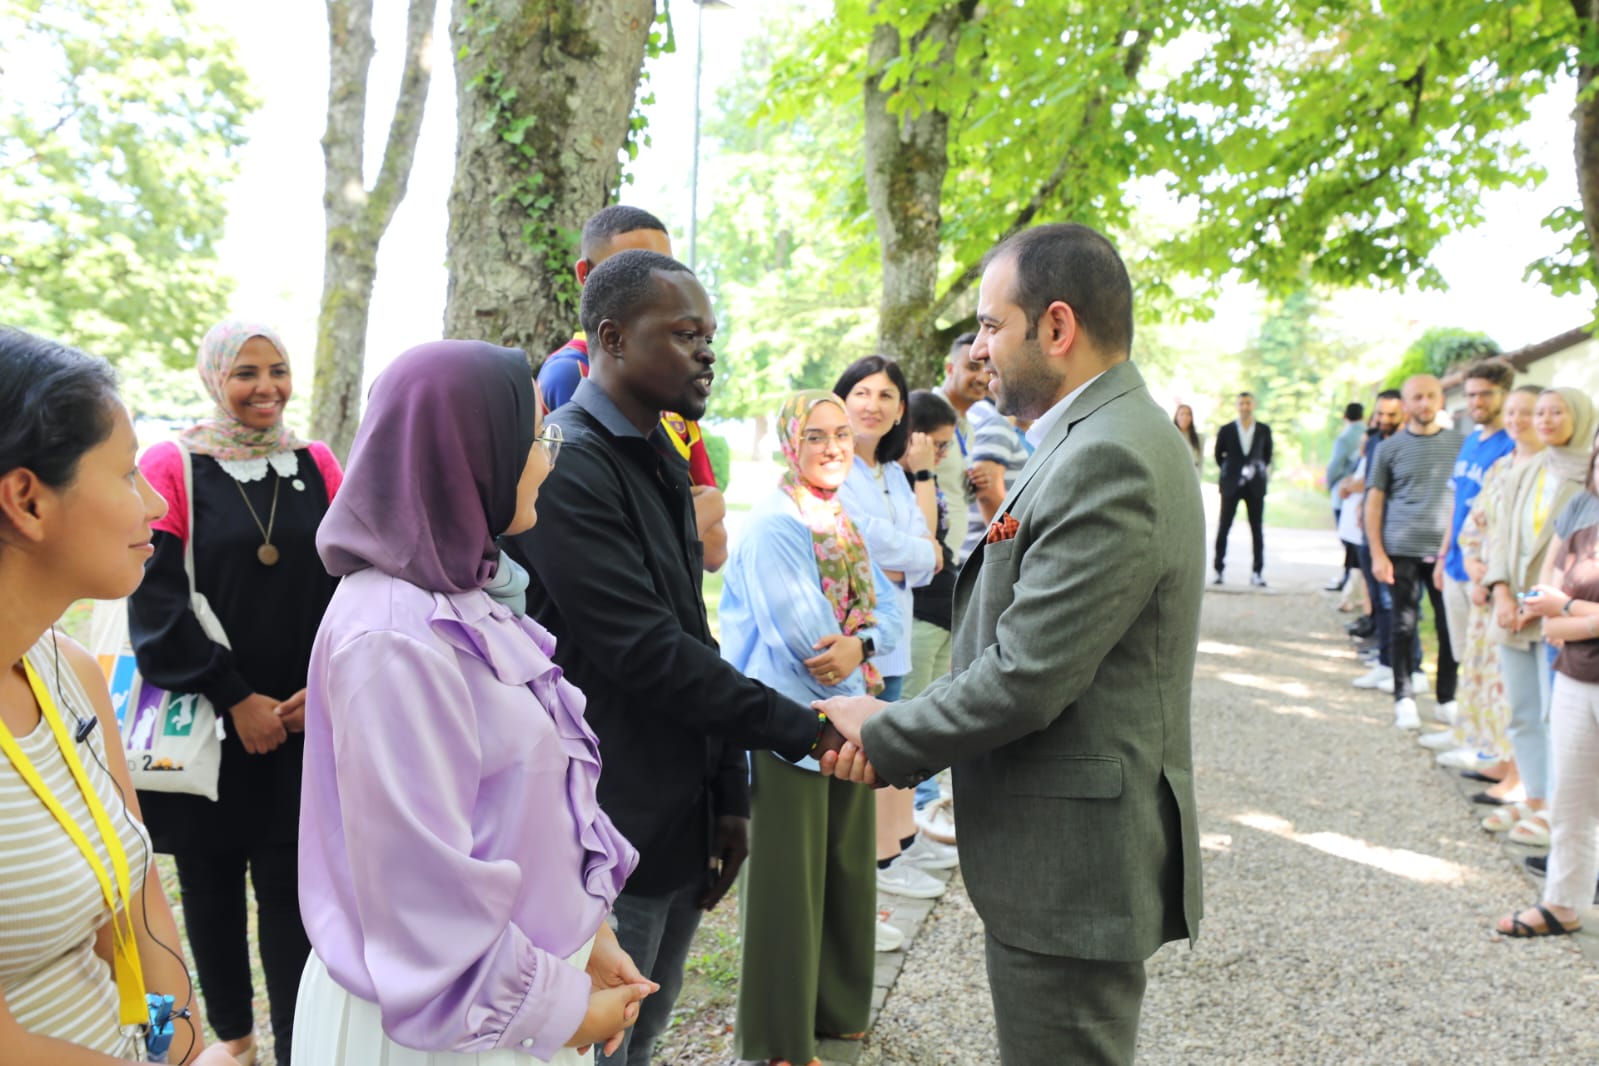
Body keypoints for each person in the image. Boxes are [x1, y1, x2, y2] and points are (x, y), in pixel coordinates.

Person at [819, 223, 1204, 1066]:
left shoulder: (1110, 455)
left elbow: (1028, 673)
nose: (978, 350)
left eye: (992, 326)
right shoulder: (1092, 436)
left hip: (1072, 865)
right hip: (1063, 852)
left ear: (1056, 327)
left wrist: (887, 731)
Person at [501, 249, 852, 1066]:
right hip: (603, 822)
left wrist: (728, 790)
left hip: (678, 816)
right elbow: (644, 650)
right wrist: (809, 730)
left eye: (710, 336)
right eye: (685, 334)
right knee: (602, 1045)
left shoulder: (655, 448)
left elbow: (690, 626)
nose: (707, 354)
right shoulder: (569, 462)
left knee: (644, 1036)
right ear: (612, 339)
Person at [295, 340, 651, 1063]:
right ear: (468, 454)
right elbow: (418, 892)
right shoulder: (393, 635)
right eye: (536, 438)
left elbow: (524, 810)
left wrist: (588, 936)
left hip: (505, 999)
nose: (547, 461)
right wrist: (559, 1012)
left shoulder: (460, 594)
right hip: (447, 1024)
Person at [0, 327, 236, 1065]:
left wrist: (182, 1048)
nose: (154, 505)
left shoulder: (69, 672)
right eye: (128, 473)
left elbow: (135, 909)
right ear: (27, 500)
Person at [129, 320, 343, 1066]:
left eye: (277, 369)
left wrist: (323, 686)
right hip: (208, 726)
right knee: (210, 888)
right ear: (214, 377)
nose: (266, 388)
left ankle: (295, 1049)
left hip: (302, 724)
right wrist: (237, 699)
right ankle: (234, 1041)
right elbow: (154, 604)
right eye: (245, 372)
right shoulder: (170, 466)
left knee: (292, 901)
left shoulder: (317, 463)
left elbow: (351, 583)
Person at [718, 390, 901, 1066]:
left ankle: (838, 1013)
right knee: (786, 892)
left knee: (846, 874)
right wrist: (858, 670)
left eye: (842, 435)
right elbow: (808, 646)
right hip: (787, 729)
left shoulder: (839, 521)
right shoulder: (776, 524)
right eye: (816, 436)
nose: (832, 448)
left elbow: (891, 617)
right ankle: (777, 1043)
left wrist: (863, 644)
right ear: (791, 444)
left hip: (845, 724)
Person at [536, 205, 726, 570]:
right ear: (586, 274)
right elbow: (622, 532)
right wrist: (703, 509)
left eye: (666, 266)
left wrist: (710, 505)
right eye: (630, 266)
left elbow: (716, 547)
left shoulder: (671, 384)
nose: (658, 280)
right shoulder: (572, 374)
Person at [831, 357, 954, 904]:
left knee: (891, 753)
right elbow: (869, 543)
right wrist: (917, 553)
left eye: (886, 396)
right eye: (862, 392)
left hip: (893, 636)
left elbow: (926, 553)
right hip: (859, 638)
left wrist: (915, 554)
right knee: (863, 757)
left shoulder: (890, 473)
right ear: (841, 399)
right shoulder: (836, 470)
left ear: (902, 410)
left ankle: (892, 855)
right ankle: (874, 870)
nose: (872, 405)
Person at [1480, 387, 1597, 847]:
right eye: (1540, 412)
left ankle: (1555, 809)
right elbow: (1502, 537)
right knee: (1524, 711)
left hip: (1556, 617)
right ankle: (1533, 796)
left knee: (1557, 718)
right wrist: (1503, 593)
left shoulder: (1588, 478)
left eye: (1556, 412)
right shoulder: (1526, 469)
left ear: (1580, 416)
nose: (1543, 420)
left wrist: (1547, 606)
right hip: (1515, 608)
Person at [1495, 432, 1599, 937]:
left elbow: (1560, 607)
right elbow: (1547, 611)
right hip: (1577, 678)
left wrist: (1571, 610)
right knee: (1571, 801)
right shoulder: (1582, 513)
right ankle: (1562, 904)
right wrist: (1574, 617)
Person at [1433, 385, 1543, 788]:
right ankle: (1498, 754)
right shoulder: (1501, 465)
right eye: (1511, 412)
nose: (1516, 420)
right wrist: (1472, 564)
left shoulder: (1549, 469)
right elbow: (1475, 520)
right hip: (1485, 584)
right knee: (1485, 677)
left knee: (1515, 687)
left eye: (1526, 412)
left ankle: (1520, 774)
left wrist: (1496, 579)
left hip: (1516, 591)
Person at [1365, 375, 1462, 730]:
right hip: (1401, 548)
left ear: (1441, 399)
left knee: (1448, 626)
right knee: (1403, 625)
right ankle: (1403, 697)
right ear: (1405, 404)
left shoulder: (1459, 444)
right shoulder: (1388, 449)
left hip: (1445, 551)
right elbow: (1374, 503)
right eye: (1416, 397)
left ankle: (1447, 698)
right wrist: (1377, 553)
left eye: (1430, 396)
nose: (1424, 403)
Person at [899, 390, 961, 845]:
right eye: (935, 445)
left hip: (942, 614)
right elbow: (925, 544)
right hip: (918, 617)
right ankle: (916, 818)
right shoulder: (901, 481)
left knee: (934, 713)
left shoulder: (925, 480)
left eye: (946, 447)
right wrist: (923, 471)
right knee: (913, 714)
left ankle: (927, 804)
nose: (941, 455)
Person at [930, 333, 998, 563]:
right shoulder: (925, 415)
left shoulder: (966, 425)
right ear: (950, 369)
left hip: (952, 557)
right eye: (972, 367)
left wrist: (974, 482)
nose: (982, 377)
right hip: (928, 559)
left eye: (987, 369)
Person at [1213, 391, 1273, 586]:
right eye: (1241, 403)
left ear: (1253, 405)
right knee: (1224, 527)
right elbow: (1218, 455)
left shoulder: (1264, 430)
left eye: (1248, 403)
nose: (1245, 406)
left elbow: (1267, 456)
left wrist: (1256, 470)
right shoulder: (1226, 430)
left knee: (1257, 529)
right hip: (1231, 485)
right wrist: (1230, 471)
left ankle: (1257, 572)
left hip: (1255, 485)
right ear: (1237, 406)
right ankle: (1218, 570)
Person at [1324, 401, 1366, 592]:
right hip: (1362, 494)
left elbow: (1334, 465)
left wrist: (1330, 483)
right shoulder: (1369, 433)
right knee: (1354, 543)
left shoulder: (1345, 437)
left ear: (1345, 416)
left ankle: (1350, 580)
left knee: (1349, 541)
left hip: (1345, 494)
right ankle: (1350, 580)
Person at [1173, 404, 1203, 479]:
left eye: (1188, 414)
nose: (1185, 417)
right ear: (1176, 417)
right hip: (1174, 474)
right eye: (1182, 414)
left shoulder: (1199, 438)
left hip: (1193, 475)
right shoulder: (1171, 436)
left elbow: (1200, 460)